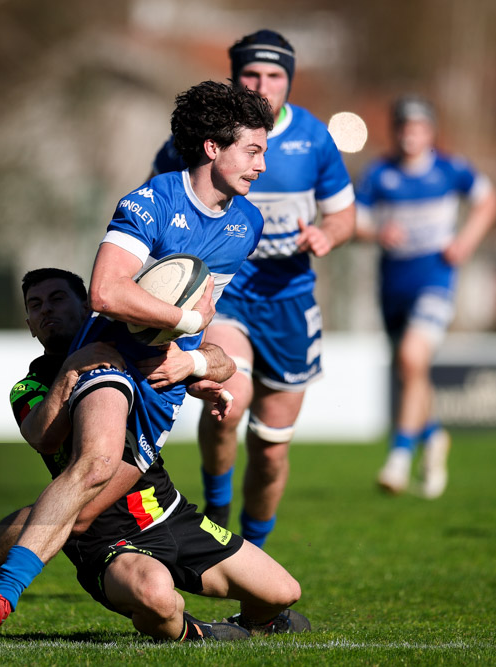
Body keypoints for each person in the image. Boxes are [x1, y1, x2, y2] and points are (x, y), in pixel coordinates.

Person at [0, 80, 281, 640]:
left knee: (85, 510)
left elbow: (201, 306)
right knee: (93, 464)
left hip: (159, 394)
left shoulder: (245, 227)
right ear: (213, 148)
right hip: (106, 360)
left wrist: (194, 369)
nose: (262, 165)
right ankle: (2, 596)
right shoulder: (151, 202)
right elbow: (105, 293)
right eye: (254, 150)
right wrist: (188, 329)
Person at [0, 268, 309, 642]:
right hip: (98, 537)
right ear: (29, 325)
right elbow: (43, 437)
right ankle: (198, 633)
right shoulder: (30, 386)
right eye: (35, 305)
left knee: (283, 591)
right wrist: (73, 369)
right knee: (157, 598)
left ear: (88, 309)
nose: (46, 310)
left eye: (57, 299)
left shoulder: (137, 345)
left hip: (165, 511)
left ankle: (254, 622)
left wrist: (194, 363)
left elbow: (223, 364)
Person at [151, 29, 356, 547]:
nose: (263, 84)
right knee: (228, 401)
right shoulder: (202, 138)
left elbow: (345, 214)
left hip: (289, 301)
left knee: (270, 450)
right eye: (252, 74)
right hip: (226, 296)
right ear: (234, 75)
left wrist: (325, 234)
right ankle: (217, 518)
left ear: (289, 80)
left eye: (275, 75)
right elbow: (163, 202)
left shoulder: (315, 139)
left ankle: (254, 557)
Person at [354, 94, 496, 498]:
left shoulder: (451, 169)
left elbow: (488, 202)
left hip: (435, 279)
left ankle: (399, 458)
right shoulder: (379, 173)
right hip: (392, 284)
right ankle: (433, 435)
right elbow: (355, 222)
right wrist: (376, 233)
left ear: (431, 132)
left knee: (411, 358)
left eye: (418, 128)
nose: (410, 135)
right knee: (411, 372)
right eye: (403, 127)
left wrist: (466, 242)